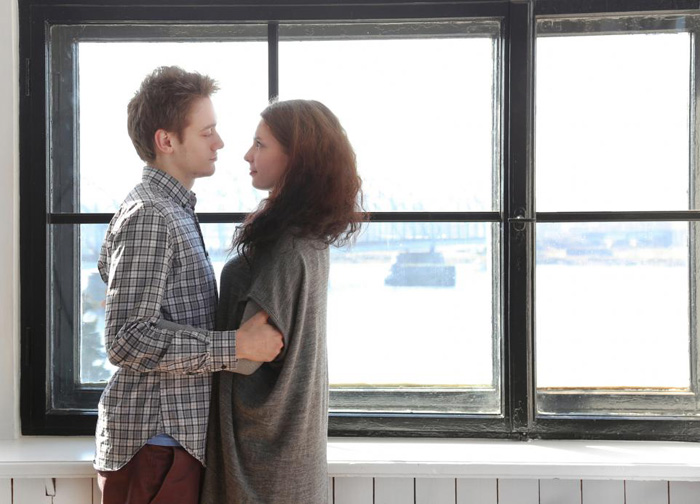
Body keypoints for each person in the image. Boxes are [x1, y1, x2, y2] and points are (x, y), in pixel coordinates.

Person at [93, 66, 284, 504]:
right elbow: (126, 339)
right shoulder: (151, 216)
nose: (220, 143)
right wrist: (237, 345)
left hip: (168, 446)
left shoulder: (169, 210)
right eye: (207, 132)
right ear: (167, 141)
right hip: (155, 449)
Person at [200, 99, 364, 504]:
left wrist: (160, 337)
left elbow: (250, 354)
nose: (247, 154)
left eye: (260, 144)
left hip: (262, 460)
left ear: (296, 158)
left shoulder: (286, 246)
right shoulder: (311, 237)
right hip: (290, 450)